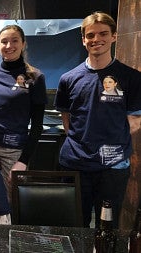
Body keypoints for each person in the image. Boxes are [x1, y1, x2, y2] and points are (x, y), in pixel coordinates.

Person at [54, 12, 141, 228]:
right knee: (74, 226)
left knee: (107, 227)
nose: (96, 39)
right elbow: (67, 119)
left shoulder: (131, 77)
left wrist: (108, 138)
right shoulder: (69, 79)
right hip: (75, 163)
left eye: (103, 33)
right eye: (90, 35)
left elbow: (135, 120)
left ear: (114, 36)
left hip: (113, 166)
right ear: (83, 40)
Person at [0, 24, 47, 198]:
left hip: (15, 150)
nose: (9, 46)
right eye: (4, 42)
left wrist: (24, 160)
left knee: (11, 200)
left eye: (14, 41)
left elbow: (37, 125)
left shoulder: (35, 77)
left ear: (23, 43)